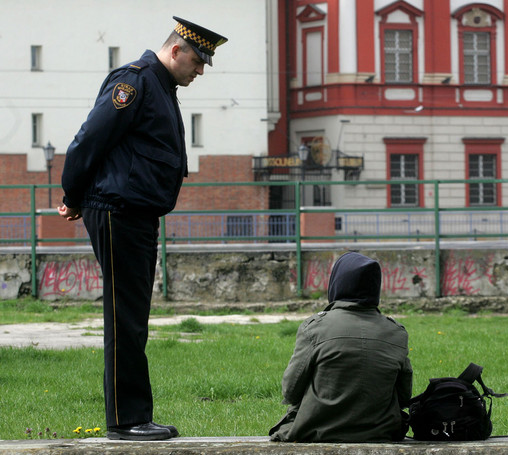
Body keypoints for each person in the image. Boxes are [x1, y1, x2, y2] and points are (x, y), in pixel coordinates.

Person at [57, 17, 227, 441]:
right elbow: (87, 140)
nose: (201, 69)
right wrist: (73, 196)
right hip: (117, 211)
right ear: (175, 51)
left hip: (134, 214)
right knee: (125, 319)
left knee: (134, 318)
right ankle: (126, 421)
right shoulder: (133, 82)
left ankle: (134, 416)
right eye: (198, 59)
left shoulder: (160, 87)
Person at [269, 252, 413, 442]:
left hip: (317, 432)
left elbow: (290, 391)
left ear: (337, 283)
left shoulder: (315, 328)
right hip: (381, 432)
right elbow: (404, 397)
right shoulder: (396, 333)